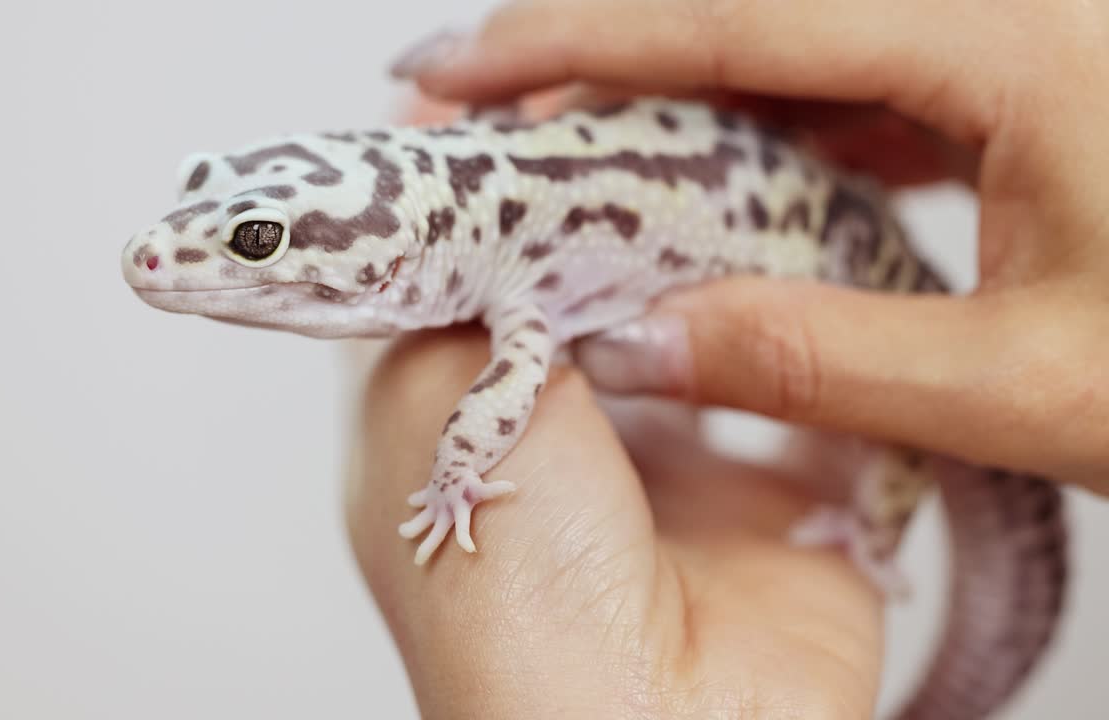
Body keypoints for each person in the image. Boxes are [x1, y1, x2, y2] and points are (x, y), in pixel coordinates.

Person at [346, 1, 1109, 716]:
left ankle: (876, 529)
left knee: (917, 447)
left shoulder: (502, 254)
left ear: (390, 258)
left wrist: (456, 469)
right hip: (785, 197)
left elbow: (513, 379)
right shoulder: (490, 198)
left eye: (256, 243)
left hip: (833, 234)